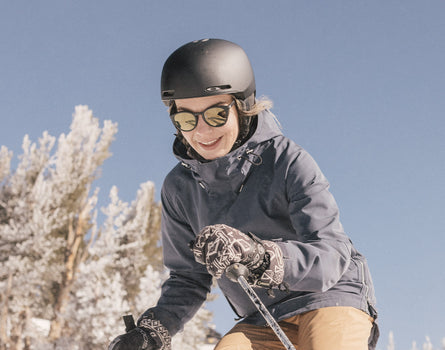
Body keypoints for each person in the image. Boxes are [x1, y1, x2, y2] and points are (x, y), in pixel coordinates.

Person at [108, 38, 379, 350]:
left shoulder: (287, 160)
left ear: (242, 106)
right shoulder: (180, 188)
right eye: (185, 118)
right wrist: (153, 332)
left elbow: (331, 255)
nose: (201, 131)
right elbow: (187, 278)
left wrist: (260, 256)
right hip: (264, 316)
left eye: (216, 115)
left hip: (331, 297)